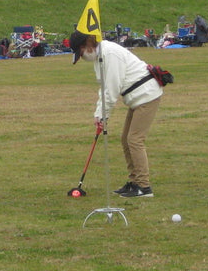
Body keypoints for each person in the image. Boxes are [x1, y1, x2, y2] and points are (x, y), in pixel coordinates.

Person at [69, 29, 163, 198]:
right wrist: (99, 115)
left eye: (81, 52)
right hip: (137, 97)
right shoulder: (99, 57)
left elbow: (112, 90)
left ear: (87, 45)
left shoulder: (109, 54)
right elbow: (104, 88)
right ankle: (134, 182)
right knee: (126, 139)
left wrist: (104, 115)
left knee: (134, 140)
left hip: (147, 95)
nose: (81, 57)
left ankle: (144, 187)